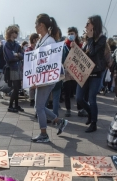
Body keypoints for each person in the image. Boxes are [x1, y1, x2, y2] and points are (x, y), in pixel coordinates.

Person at [31, 13, 68, 143]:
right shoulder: (42, 40)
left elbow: (49, 64)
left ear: (41, 25)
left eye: (36, 24)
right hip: (42, 79)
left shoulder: (49, 41)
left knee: (39, 107)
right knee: (39, 106)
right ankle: (59, 121)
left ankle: (44, 134)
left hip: (46, 80)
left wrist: (37, 79)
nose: (35, 27)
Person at [75, 15, 107, 133]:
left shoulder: (101, 38)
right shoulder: (86, 38)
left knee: (91, 98)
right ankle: (90, 113)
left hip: (95, 72)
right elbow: (83, 55)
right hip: (84, 73)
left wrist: (90, 39)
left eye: (88, 24)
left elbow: (93, 53)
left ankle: (94, 123)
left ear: (94, 25)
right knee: (79, 98)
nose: (85, 26)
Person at [63, 27, 82, 117]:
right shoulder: (64, 45)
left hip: (77, 71)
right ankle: (68, 109)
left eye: (72, 33)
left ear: (76, 34)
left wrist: (75, 48)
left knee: (77, 92)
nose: (70, 35)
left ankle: (80, 109)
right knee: (67, 91)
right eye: (69, 33)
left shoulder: (80, 45)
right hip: (67, 71)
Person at [4, 25, 24, 113]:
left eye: (17, 32)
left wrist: (17, 55)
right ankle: (10, 106)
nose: (16, 34)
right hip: (12, 68)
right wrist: (18, 56)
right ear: (11, 33)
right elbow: (10, 57)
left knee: (18, 88)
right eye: (15, 32)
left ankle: (16, 105)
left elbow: (23, 55)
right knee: (15, 88)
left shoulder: (16, 44)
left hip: (18, 67)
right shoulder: (7, 45)